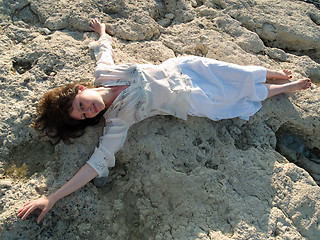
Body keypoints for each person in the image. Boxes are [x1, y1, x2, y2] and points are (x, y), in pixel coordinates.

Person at [17, 18, 312, 223]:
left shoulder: (104, 74)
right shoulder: (117, 119)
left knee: (233, 73)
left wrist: (102, 33)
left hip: (185, 68)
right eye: (81, 115)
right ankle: (282, 88)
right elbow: (97, 162)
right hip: (190, 99)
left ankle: (268, 73)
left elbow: (104, 52)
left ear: (82, 90)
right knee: (232, 102)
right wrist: (53, 198)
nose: (87, 111)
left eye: (81, 104)